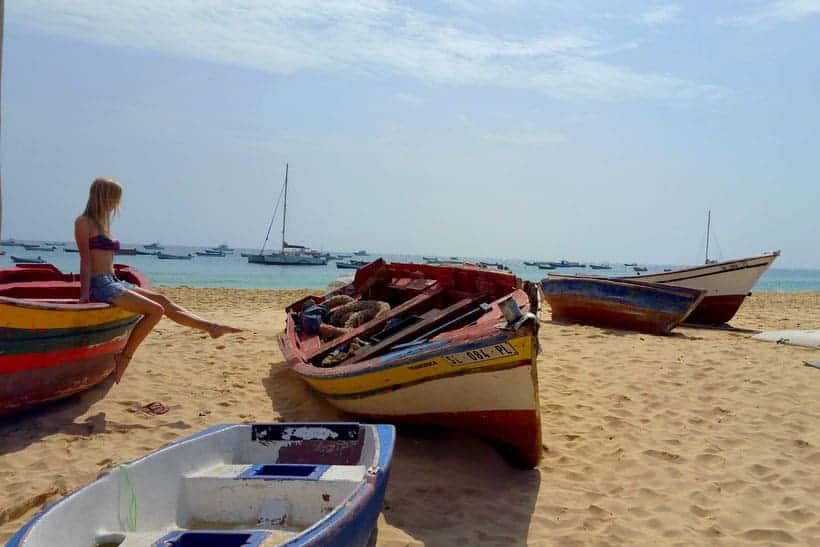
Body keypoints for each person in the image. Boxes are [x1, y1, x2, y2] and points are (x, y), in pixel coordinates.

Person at [75, 177, 241, 383]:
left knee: (162, 300)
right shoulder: (84, 223)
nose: (115, 204)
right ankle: (124, 357)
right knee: (156, 311)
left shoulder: (103, 223)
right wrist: (84, 295)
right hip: (101, 285)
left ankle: (211, 327)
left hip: (114, 280)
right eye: (113, 199)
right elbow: (85, 261)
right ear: (102, 197)